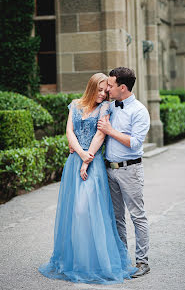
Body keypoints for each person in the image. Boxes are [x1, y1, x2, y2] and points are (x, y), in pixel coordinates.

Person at [38, 73, 137, 285]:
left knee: (88, 210)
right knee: (74, 211)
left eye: (105, 90)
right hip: (74, 163)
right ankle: (77, 262)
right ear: (91, 88)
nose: (103, 94)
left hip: (93, 166)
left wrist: (87, 159)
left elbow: (100, 135)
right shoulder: (75, 105)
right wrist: (80, 154)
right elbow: (69, 131)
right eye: (99, 90)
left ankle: (96, 263)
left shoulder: (105, 108)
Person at [97, 67, 150, 277]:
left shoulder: (139, 111)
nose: (107, 88)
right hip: (109, 170)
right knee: (117, 217)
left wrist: (110, 131)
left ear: (122, 87)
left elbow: (136, 144)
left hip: (130, 170)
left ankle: (142, 262)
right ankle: (122, 259)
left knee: (137, 216)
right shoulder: (110, 106)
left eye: (110, 85)